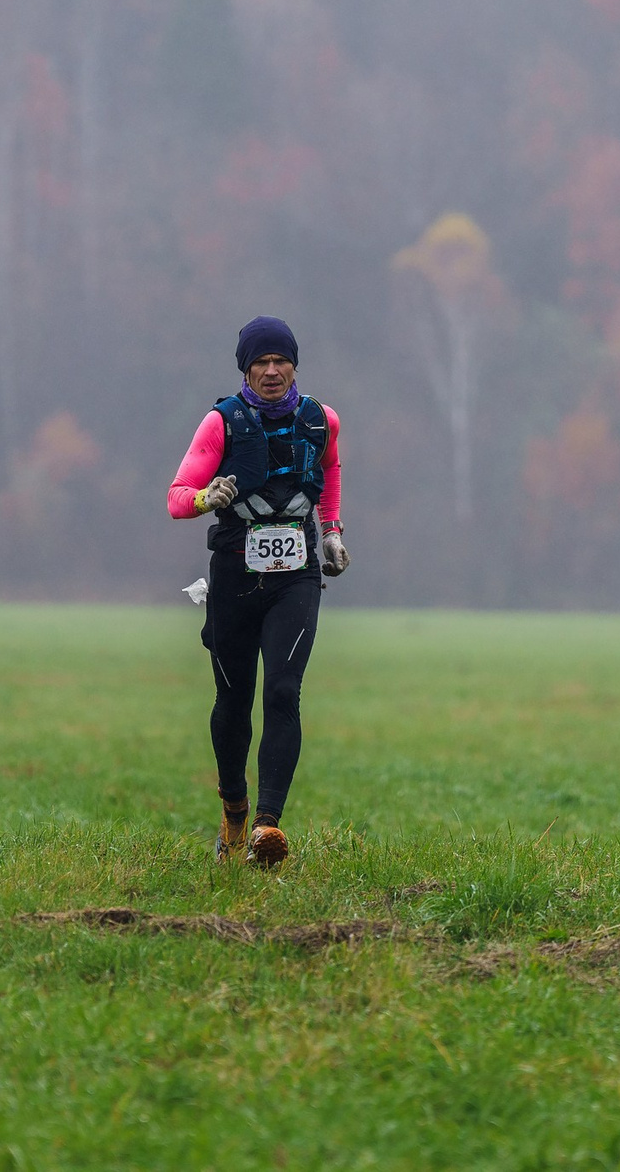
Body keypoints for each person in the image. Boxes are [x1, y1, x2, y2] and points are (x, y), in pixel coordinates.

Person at [166, 316, 346, 867]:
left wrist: (332, 532)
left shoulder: (321, 420)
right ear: (245, 369)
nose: (271, 371)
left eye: (280, 361)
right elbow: (177, 498)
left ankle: (268, 826)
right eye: (260, 362)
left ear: (294, 365)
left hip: (297, 576)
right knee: (234, 700)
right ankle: (235, 811)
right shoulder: (220, 423)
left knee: (283, 692)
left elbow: (330, 471)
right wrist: (207, 498)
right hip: (233, 576)